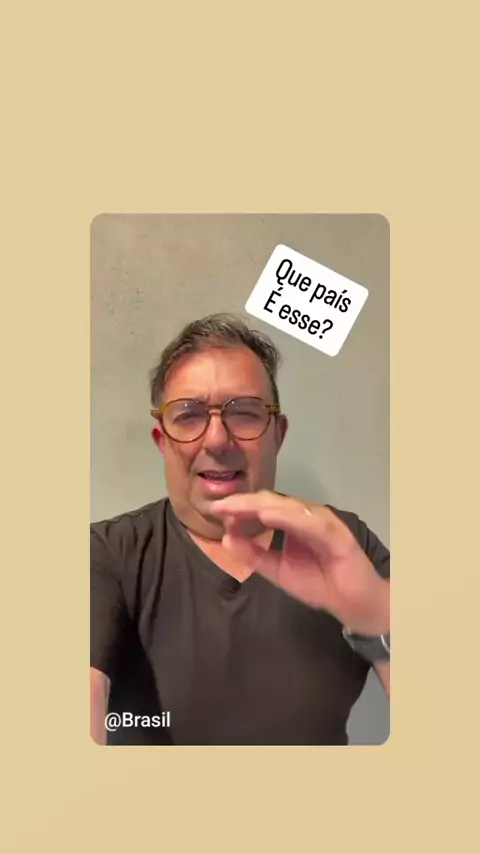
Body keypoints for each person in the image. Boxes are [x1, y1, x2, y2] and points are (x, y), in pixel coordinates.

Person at [90, 313, 390, 745]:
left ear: (278, 435)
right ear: (162, 441)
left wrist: (377, 618)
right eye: (189, 415)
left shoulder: (342, 543)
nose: (216, 439)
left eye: (245, 413)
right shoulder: (107, 553)